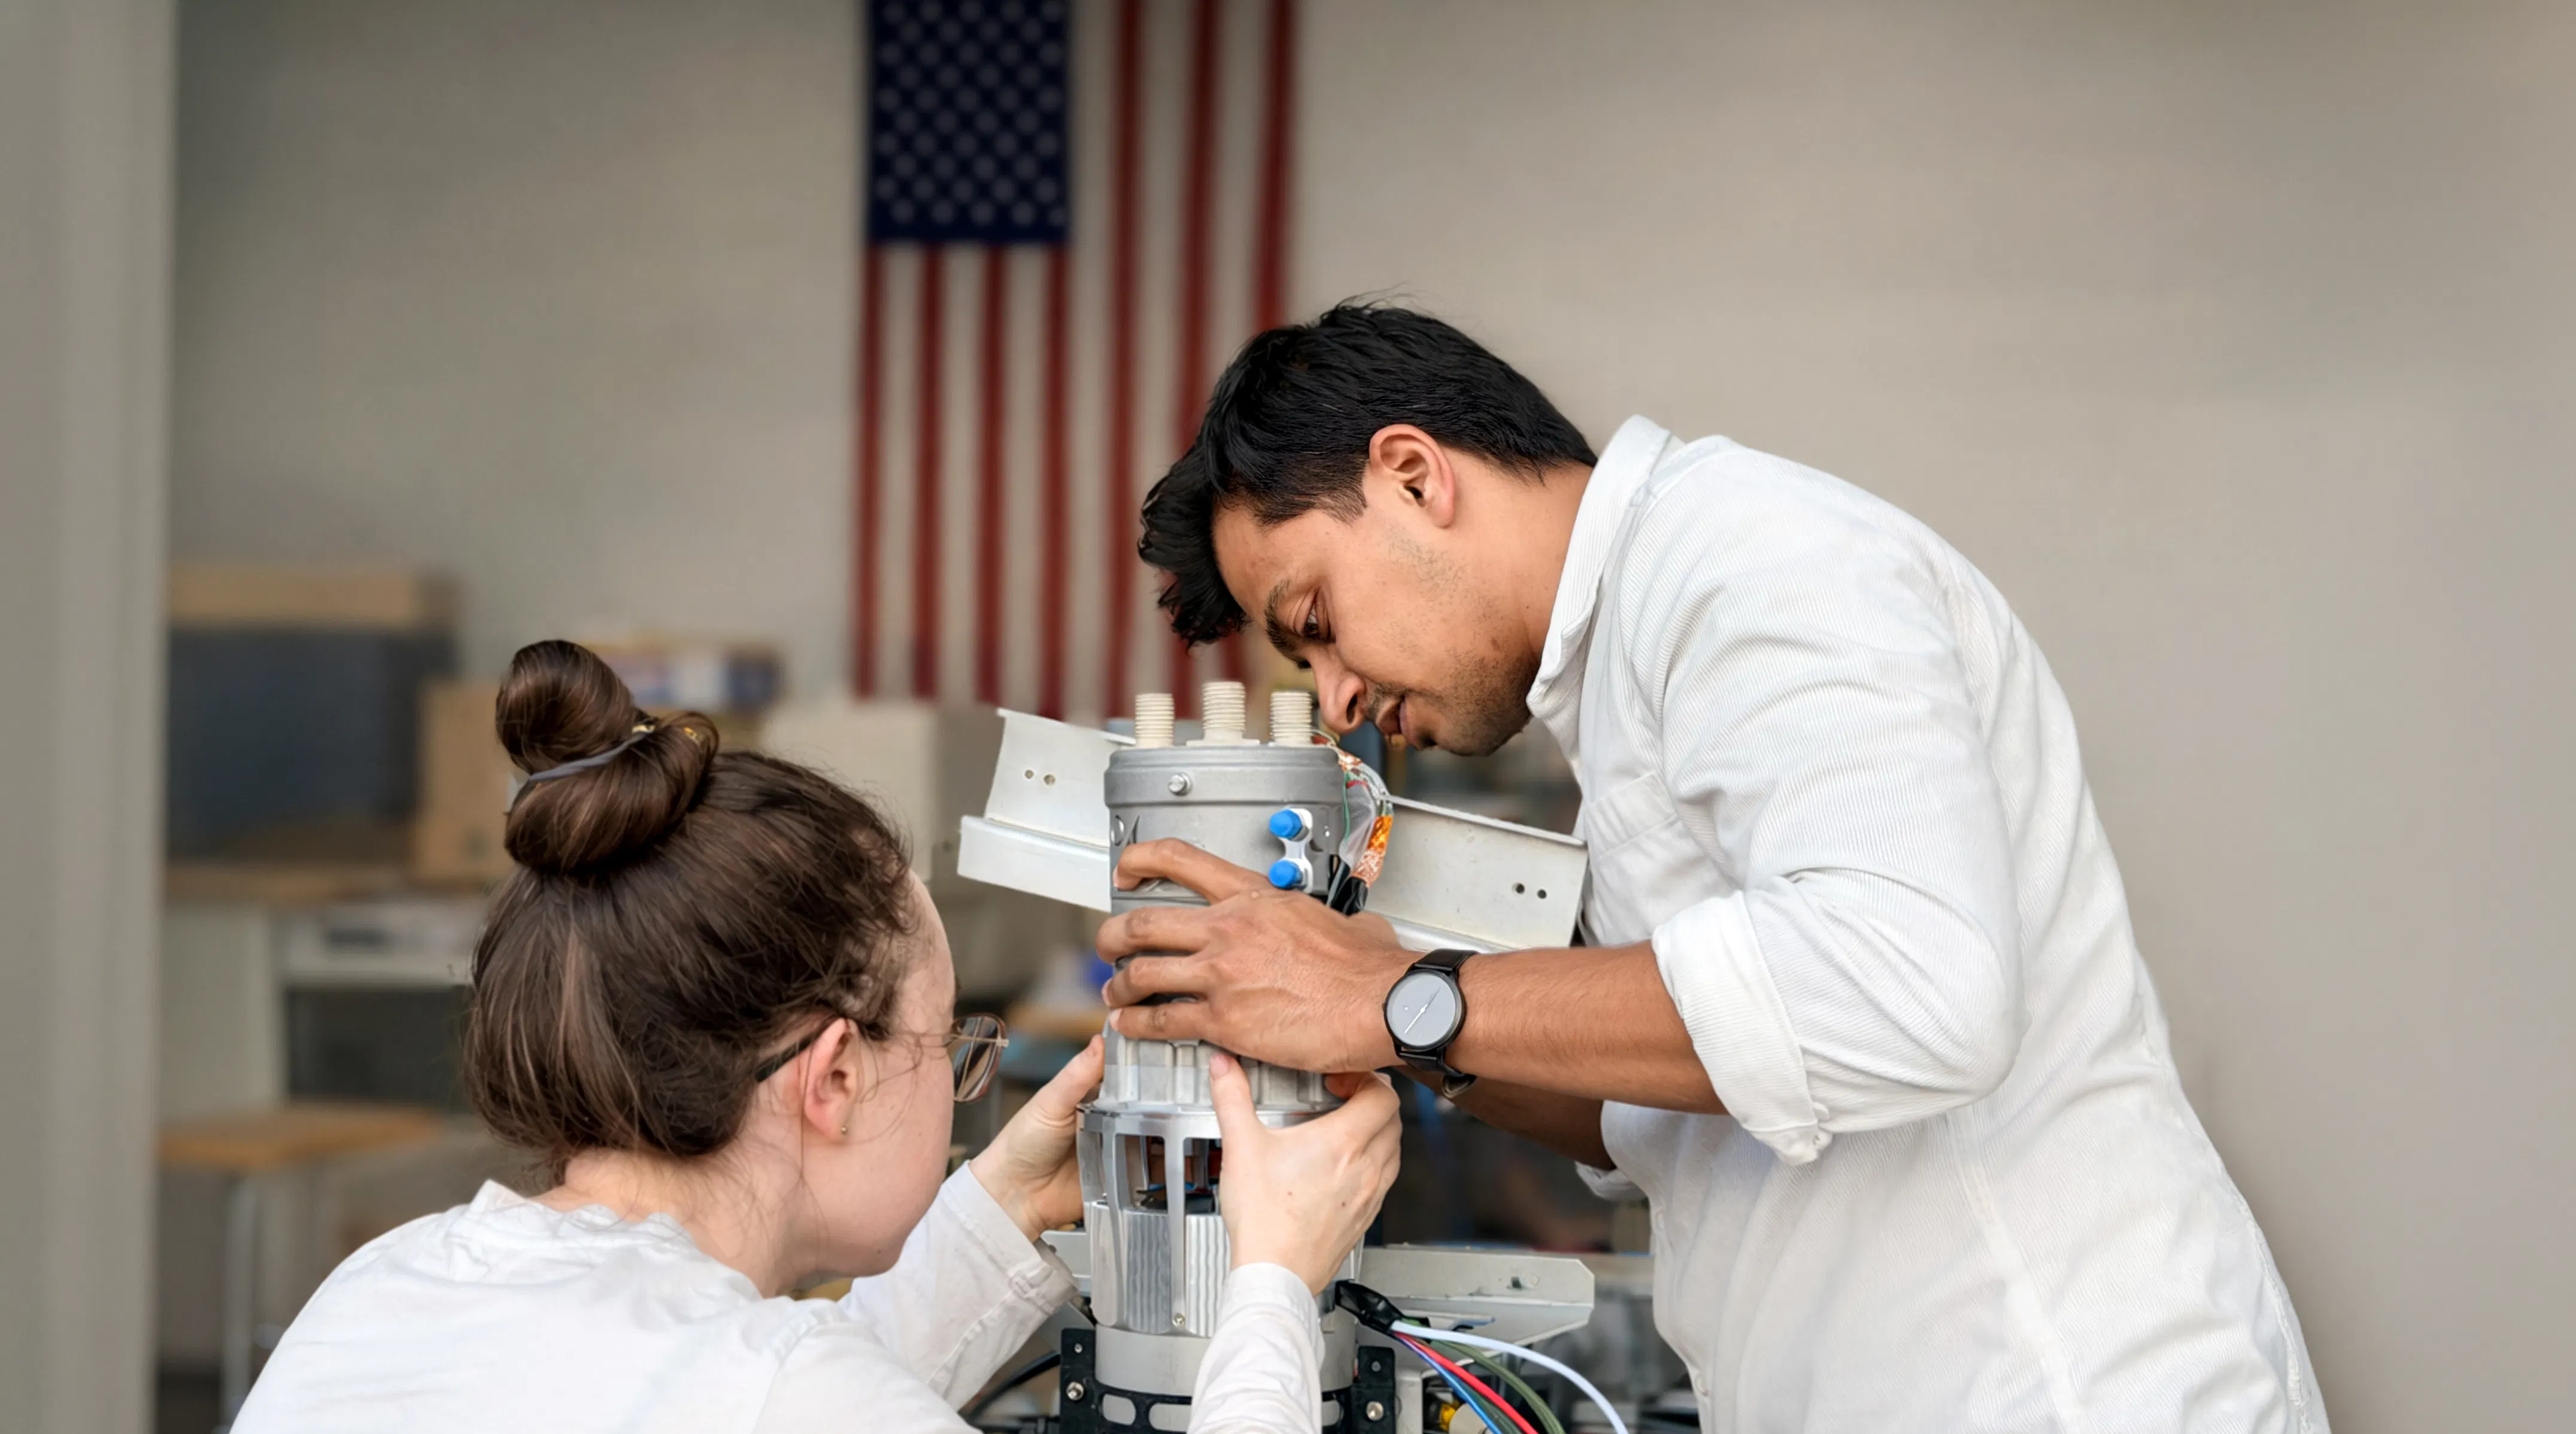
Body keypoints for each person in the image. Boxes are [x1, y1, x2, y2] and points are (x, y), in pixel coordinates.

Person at [1103, 305, 2328, 1433]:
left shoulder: (1750, 555)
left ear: (1414, 475)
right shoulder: (1626, 663)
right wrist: (1365, 1026)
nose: (1340, 697)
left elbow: (1910, 987)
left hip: (2048, 1389)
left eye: (1316, 622)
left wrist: (1395, 992)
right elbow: (1683, 1102)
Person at [236, 640, 1403, 1434]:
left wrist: (1000, 1207)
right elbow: (785, 1393)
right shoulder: (778, 1391)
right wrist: (1274, 1286)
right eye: (953, 1050)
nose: (961, 1088)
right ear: (833, 1074)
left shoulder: (382, 1287)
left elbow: (750, 1377)